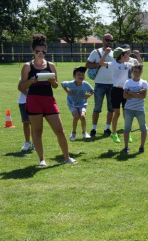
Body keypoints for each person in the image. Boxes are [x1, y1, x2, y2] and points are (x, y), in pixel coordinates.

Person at [19, 34, 75, 166]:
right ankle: (41, 160)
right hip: (34, 101)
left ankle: (67, 158)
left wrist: (52, 81)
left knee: (59, 130)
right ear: (33, 52)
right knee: (37, 131)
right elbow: (21, 86)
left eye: (43, 52)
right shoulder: (27, 66)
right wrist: (31, 81)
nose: (40, 54)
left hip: (49, 100)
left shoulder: (51, 65)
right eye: (38, 51)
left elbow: (55, 85)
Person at [109, 47, 142, 143]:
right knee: (117, 113)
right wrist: (106, 54)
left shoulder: (128, 64)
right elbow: (101, 63)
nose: (128, 55)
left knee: (126, 114)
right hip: (116, 91)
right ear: (121, 56)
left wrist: (138, 56)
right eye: (126, 54)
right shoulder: (113, 64)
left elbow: (140, 65)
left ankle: (128, 132)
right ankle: (114, 133)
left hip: (125, 91)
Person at [85, 33, 114, 137]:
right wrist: (98, 64)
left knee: (111, 108)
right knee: (97, 108)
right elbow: (87, 65)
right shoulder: (96, 52)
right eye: (107, 40)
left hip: (112, 84)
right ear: (102, 40)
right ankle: (94, 129)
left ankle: (107, 128)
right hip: (99, 84)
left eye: (111, 40)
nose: (109, 42)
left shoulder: (114, 53)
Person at [122, 64, 148, 153]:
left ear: (142, 72)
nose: (137, 73)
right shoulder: (128, 82)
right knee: (127, 129)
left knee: (143, 128)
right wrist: (137, 93)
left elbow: (143, 96)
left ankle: (142, 146)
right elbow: (125, 95)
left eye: (139, 71)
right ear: (132, 72)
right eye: (135, 71)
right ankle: (126, 147)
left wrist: (132, 93)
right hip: (128, 109)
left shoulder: (144, 83)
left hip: (140, 109)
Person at [61, 66, 94, 141]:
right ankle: (73, 133)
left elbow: (92, 91)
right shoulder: (71, 84)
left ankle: (84, 132)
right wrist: (67, 92)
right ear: (74, 76)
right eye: (78, 74)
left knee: (82, 116)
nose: (81, 76)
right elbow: (62, 84)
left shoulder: (85, 84)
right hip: (72, 104)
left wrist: (88, 96)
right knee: (76, 116)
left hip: (82, 104)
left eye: (82, 74)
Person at [17, 77, 33, 151]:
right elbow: (19, 87)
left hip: (35, 101)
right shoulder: (24, 76)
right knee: (26, 122)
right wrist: (29, 95)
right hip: (23, 101)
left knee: (34, 123)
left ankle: (35, 142)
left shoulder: (38, 74)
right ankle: (27, 142)